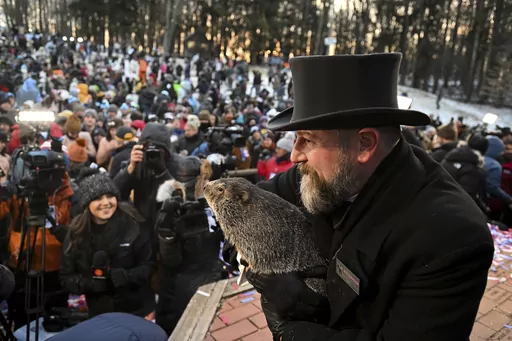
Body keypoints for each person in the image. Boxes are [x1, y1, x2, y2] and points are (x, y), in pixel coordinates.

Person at [242, 53, 493, 341]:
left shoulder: (452, 237)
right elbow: (252, 200)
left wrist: (292, 332)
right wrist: (253, 260)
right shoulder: (324, 169)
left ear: (364, 144)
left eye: (308, 139)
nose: (295, 154)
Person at [60, 173, 154, 318]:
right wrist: (90, 284)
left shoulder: (134, 224)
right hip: (100, 313)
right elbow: (66, 277)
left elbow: (150, 265)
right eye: (97, 198)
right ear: (87, 203)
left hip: (137, 309)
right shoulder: (76, 233)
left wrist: (127, 276)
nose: (105, 203)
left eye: (110, 196)